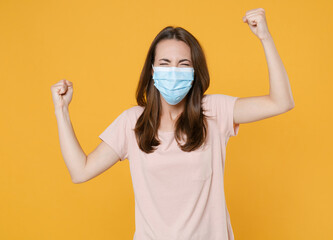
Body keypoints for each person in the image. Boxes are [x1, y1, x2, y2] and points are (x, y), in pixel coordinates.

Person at [51, 8, 295, 240]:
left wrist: (265, 37)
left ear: (195, 71)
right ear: (153, 70)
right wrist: (61, 110)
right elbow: (80, 171)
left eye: (184, 64)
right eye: (165, 63)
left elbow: (281, 102)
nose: (174, 71)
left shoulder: (213, 111)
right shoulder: (132, 123)